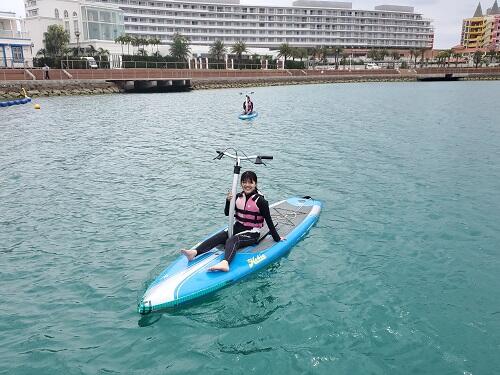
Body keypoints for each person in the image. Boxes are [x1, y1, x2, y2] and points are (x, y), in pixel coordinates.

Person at [181, 171, 282, 272]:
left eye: (250, 182)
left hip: (252, 233)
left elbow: (269, 221)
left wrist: (277, 238)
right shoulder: (238, 196)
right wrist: (228, 201)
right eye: (244, 182)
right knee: (220, 236)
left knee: (232, 240)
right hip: (237, 227)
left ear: (255, 184)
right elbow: (227, 213)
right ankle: (194, 252)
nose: (247, 185)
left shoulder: (261, 201)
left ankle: (225, 263)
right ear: (241, 183)